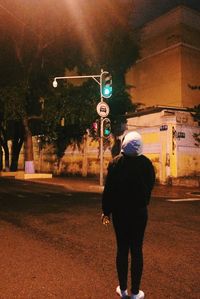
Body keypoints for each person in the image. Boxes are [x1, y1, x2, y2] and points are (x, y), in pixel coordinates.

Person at [101, 131, 155, 299]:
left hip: (120, 213)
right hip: (139, 212)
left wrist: (106, 212)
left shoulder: (115, 163)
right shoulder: (147, 164)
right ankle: (135, 292)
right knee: (137, 249)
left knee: (122, 249)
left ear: (124, 144)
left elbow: (109, 191)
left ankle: (123, 290)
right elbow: (149, 187)